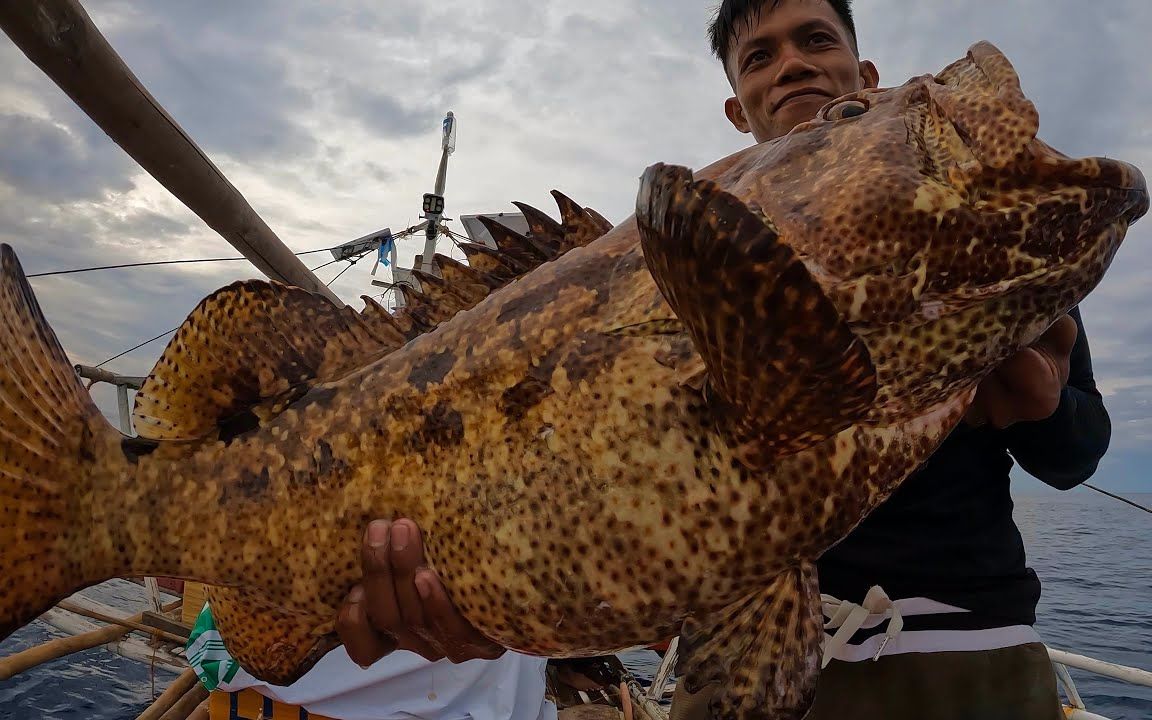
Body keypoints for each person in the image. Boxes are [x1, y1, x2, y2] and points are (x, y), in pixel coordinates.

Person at [336, 1, 1109, 718]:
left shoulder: (962, 230)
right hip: (753, 659)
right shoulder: (669, 269)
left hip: (971, 650)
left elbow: (1078, 453)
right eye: (759, 57)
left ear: (865, 73)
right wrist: (494, 596)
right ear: (739, 108)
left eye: (816, 39)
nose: (792, 65)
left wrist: (1044, 410)